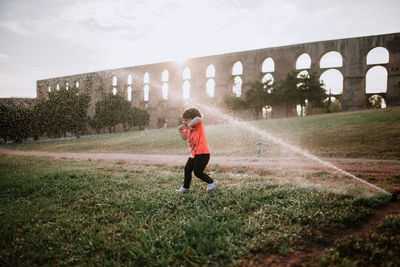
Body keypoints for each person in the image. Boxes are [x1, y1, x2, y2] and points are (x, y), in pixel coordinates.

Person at [176, 108, 218, 193]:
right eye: (183, 120)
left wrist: (189, 125)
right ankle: (185, 188)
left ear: (192, 119)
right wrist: (180, 130)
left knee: (198, 172)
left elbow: (198, 118)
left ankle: (212, 182)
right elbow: (184, 138)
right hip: (193, 154)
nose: (184, 122)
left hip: (203, 153)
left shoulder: (197, 125)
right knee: (187, 169)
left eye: (186, 120)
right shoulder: (189, 128)